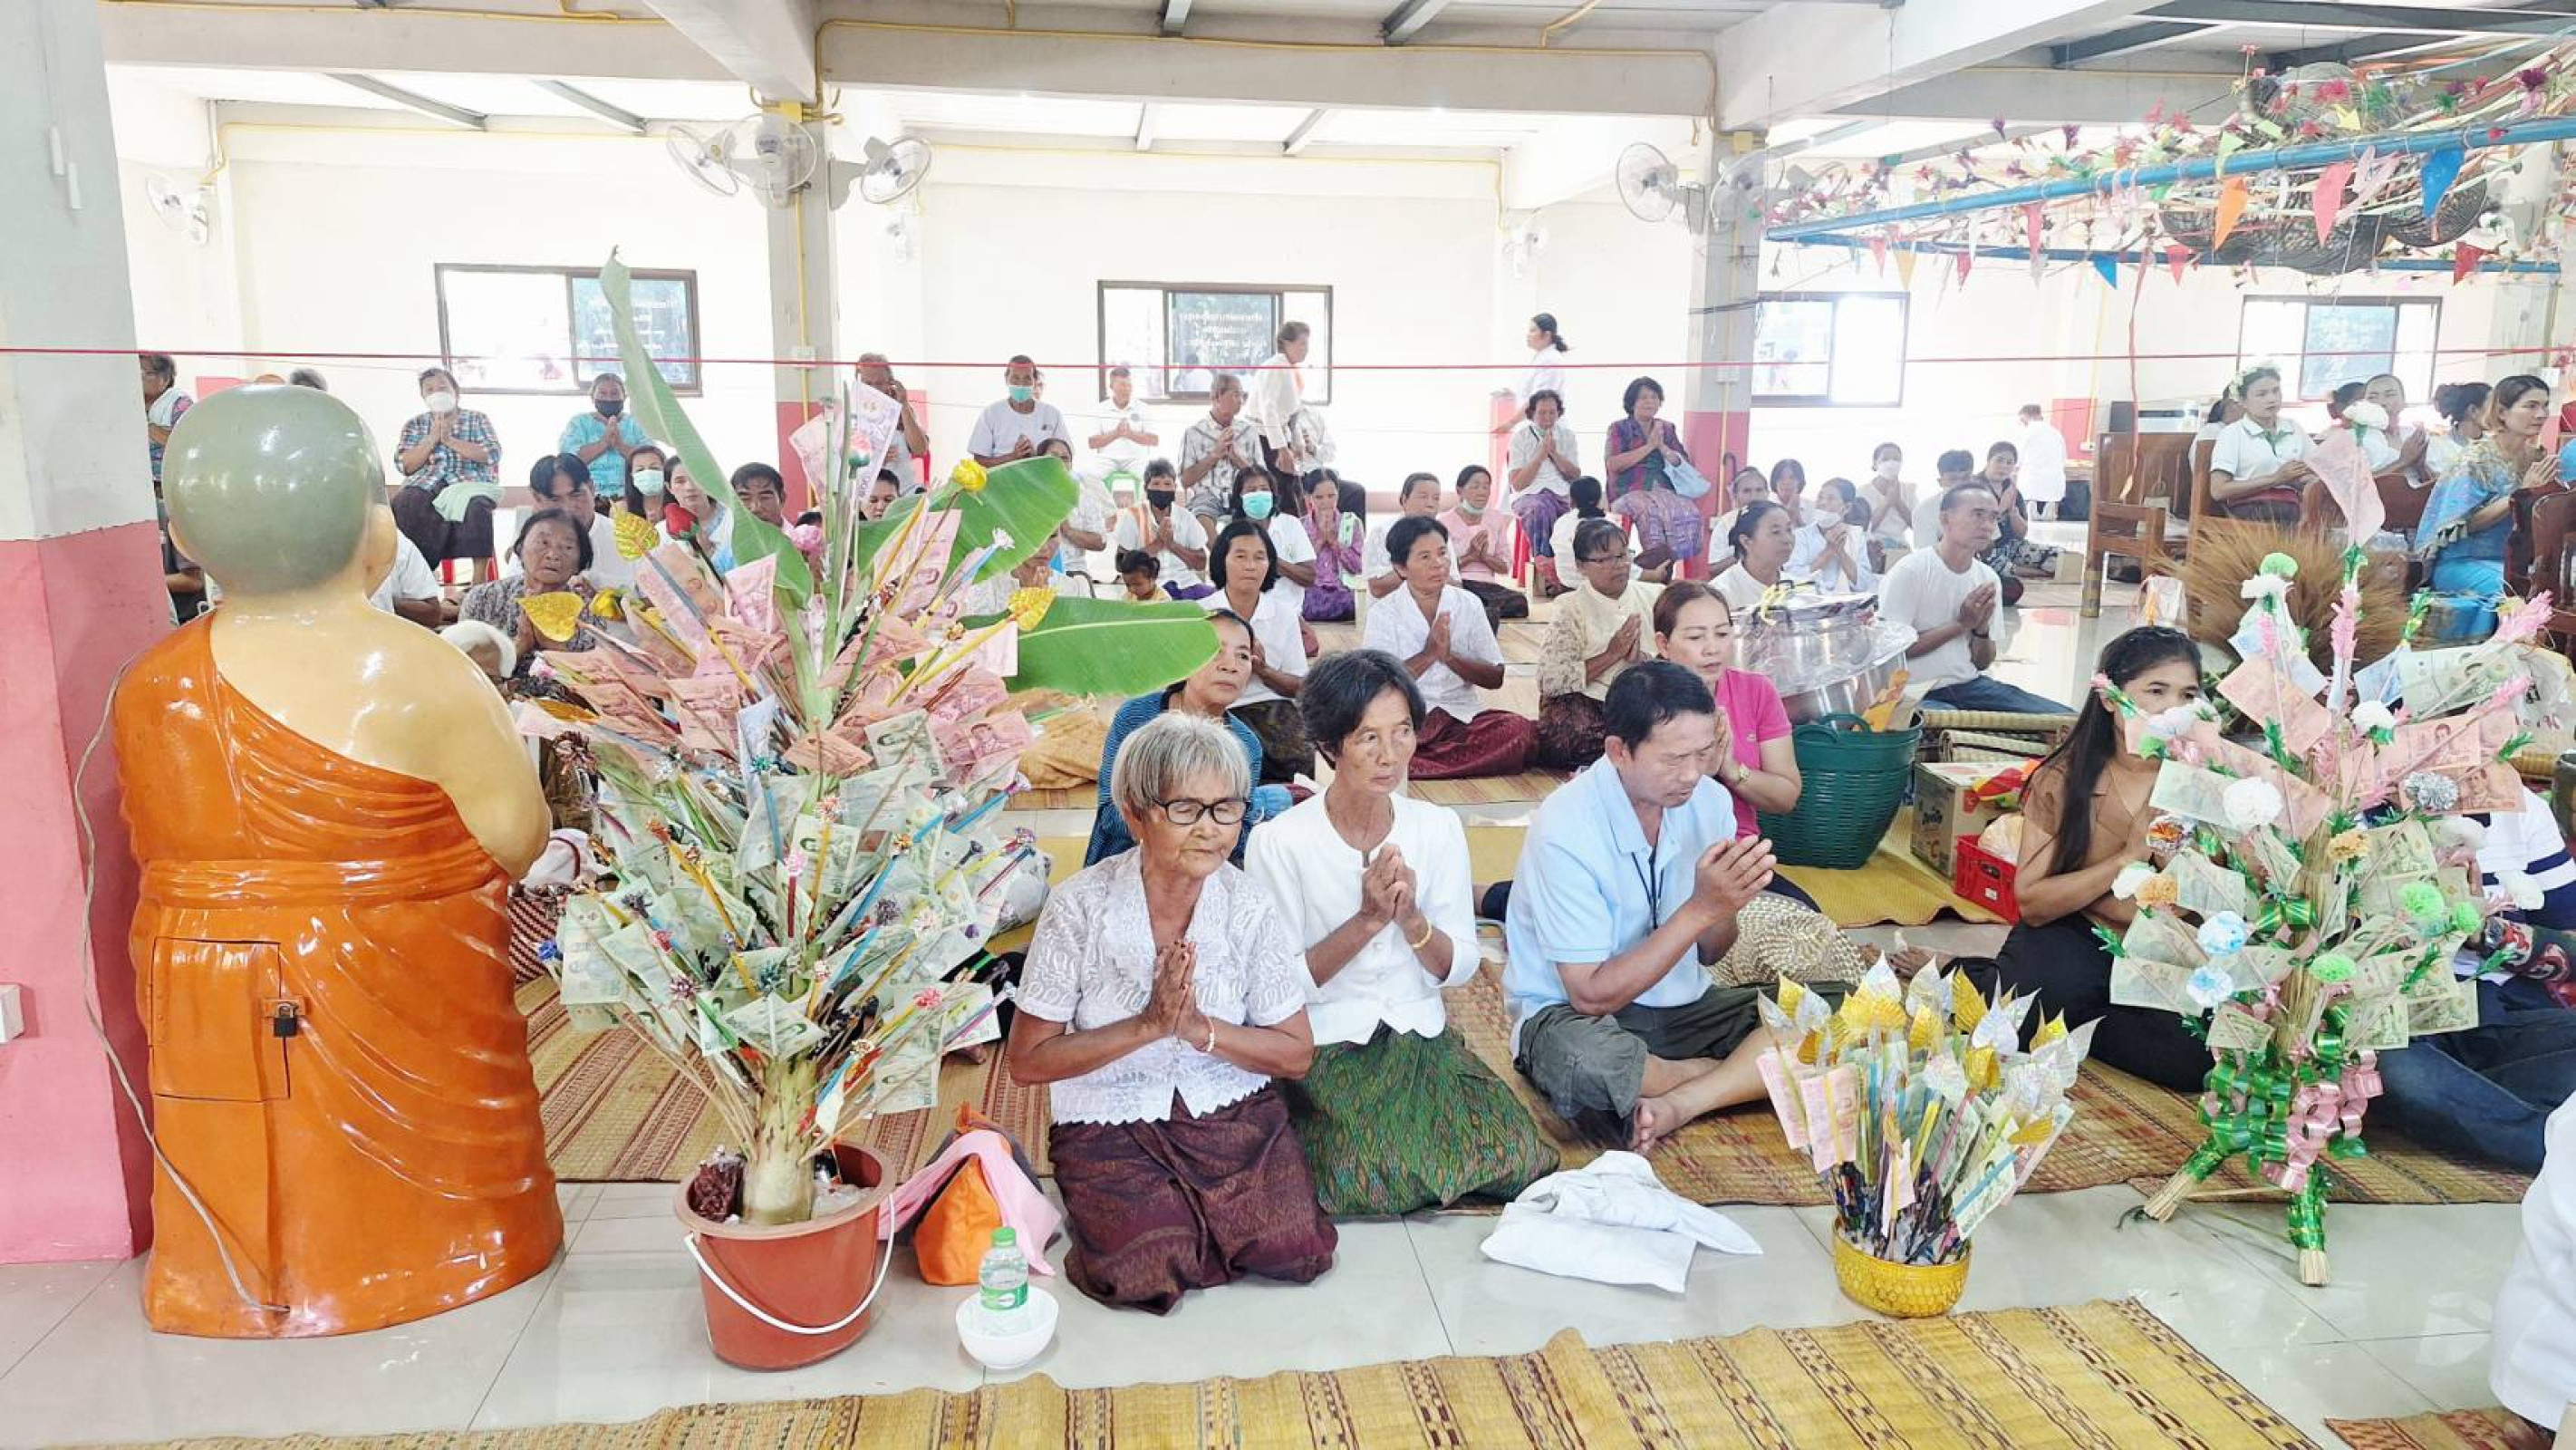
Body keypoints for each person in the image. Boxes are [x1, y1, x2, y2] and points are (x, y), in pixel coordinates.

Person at [122, 383, 555, 1337]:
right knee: (439, 1186)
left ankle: (231, 1281)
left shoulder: (153, 686)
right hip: (391, 966)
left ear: (187, 536)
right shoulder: (421, 668)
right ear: (373, 528)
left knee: (232, 1133)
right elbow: (518, 839)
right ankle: (432, 1257)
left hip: (202, 978)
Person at [1012, 713, 1336, 1313]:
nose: (1210, 830)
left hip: (1229, 1110)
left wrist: (1196, 1030)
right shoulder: (1079, 906)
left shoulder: (1247, 904)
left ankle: (1203, 1222)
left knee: (1295, 1248)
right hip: (1112, 1119)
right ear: (1135, 814)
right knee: (1142, 1272)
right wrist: (1147, 1026)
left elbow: (1295, 1053)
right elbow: (1027, 1062)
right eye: (1185, 809)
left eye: (1226, 809)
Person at [1247, 652, 1556, 1216]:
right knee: (1357, 1176)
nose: (1390, 756)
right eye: (1368, 738)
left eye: (1403, 733)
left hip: (1418, 1034)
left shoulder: (1436, 828)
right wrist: (1366, 921)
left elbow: (1461, 964)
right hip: (1330, 1043)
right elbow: (1278, 988)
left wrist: (1413, 921)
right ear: (1329, 745)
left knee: (1516, 1157)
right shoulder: (1280, 842)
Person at [1503, 662, 1788, 1152]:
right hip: (1576, 1019)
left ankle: (1683, 1099)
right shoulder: (1566, 827)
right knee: (1588, 1067)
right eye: (1674, 759)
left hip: (1684, 1012)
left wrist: (1726, 905)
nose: (1692, 774)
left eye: (1703, 754)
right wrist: (1701, 908)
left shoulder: (1710, 802)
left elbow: (1711, 955)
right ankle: (1737, 1075)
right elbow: (1589, 995)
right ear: (1618, 752)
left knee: (1844, 1011)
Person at [1990, 626, 2215, 1089]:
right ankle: (1986, 978)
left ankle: (2089, 1020)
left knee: (2195, 1061)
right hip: (2077, 927)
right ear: (2111, 699)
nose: (2172, 707)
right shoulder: (2064, 778)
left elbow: (2214, 900)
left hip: (2159, 945)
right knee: (2028, 1017)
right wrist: (2127, 858)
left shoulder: (2204, 781)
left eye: (2187, 694)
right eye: (2156, 690)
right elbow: (2032, 902)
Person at [2375, 787, 2576, 1174]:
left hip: (2501, 1015)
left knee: (2425, 1086)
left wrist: (2485, 929)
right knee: (2399, 1072)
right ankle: (2548, 1146)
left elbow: (2572, 949)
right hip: (2395, 1023)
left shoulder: (2521, 809)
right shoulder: (2356, 803)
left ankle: (2464, 1102)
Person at [1085, 611, 1279, 864]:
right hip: (1126, 862)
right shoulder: (1137, 717)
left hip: (1203, 869)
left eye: (1243, 656)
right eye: (1215, 651)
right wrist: (1178, 832)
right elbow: (1110, 813)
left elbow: (1238, 827)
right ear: (1184, 658)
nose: (1230, 665)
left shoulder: (1246, 745)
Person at [1361, 517, 1536, 779]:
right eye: (1425, 557)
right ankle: (1420, 761)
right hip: (1406, 720)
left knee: (1519, 731)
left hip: (1461, 717)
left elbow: (1495, 677)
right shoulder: (1384, 613)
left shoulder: (1469, 603)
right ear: (1401, 567)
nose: (1438, 564)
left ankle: (1410, 765)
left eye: (1443, 553)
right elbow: (1378, 686)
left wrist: (1450, 657)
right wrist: (1429, 654)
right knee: (1375, 740)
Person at [1880, 481, 2069, 714]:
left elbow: (1982, 663)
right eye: (1977, 515)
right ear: (1946, 519)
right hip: (1913, 691)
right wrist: (1961, 625)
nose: (1987, 526)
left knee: (2065, 719)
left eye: (1992, 518)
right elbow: (1893, 653)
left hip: (1969, 686)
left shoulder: (1987, 577)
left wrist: (1980, 628)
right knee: (1949, 726)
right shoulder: (1911, 571)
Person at [1651, 582, 1802, 848]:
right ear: (1663, 644)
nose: (1712, 648)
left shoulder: (1757, 691)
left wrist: (1730, 770)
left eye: (1722, 634)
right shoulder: (1644, 697)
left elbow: (1786, 796)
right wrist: (1700, 769)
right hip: (1660, 848)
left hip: (1735, 850)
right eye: (1696, 637)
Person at [1534, 518, 1661, 769]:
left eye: (1624, 555)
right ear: (1582, 566)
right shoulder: (1570, 607)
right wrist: (1612, 654)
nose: (1621, 565)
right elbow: (1549, 679)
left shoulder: (1655, 595)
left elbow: (1680, 658)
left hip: (1648, 702)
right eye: (1605, 560)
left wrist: (1644, 663)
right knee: (1566, 734)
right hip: (1593, 705)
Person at [2417, 373, 2558, 598]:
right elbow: (2465, 524)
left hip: (2516, 562)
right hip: (2464, 562)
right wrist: (2521, 492)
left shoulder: (2537, 458)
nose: (2541, 415)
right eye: (2531, 406)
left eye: (2545, 406)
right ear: (2502, 412)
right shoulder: (2474, 461)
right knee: (2519, 594)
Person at [1208, 517, 1314, 785]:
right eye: (1240, 556)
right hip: (1213, 707)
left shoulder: (1284, 613)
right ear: (1222, 560)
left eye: (1259, 557)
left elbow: (1300, 686)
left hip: (1271, 708)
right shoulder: (1202, 613)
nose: (1250, 566)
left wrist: (1263, 670)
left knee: (1302, 757)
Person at [460, 508, 603, 679]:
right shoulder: (483, 598)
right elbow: (464, 674)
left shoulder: (589, 613)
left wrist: (555, 648)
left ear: (580, 562)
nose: (553, 555)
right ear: (520, 548)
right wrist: (520, 646)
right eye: (543, 543)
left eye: (567, 547)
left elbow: (596, 687)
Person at [392, 366, 504, 577]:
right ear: (424, 397)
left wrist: (449, 440)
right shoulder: (414, 424)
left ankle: (477, 581)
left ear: (456, 392)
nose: (437, 392)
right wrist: (432, 439)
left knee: (476, 505)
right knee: (406, 502)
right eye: (430, 390)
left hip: (468, 482)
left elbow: (491, 454)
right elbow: (405, 465)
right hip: (425, 481)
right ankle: (417, 576)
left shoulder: (477, 419)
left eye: (443, 387)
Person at [1603, 377, 1705, 575]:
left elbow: (1682, 462)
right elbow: (1613, 464)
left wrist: (1663, 448)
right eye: (1643, 398)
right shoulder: (1618, 428)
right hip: (1629, 489)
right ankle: (1652, 567)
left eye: (1654, 397)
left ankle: (1669, 564)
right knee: (1649, 511)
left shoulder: (1666, 428)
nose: (1649, 402)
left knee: (1688, 509)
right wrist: (1649, 447)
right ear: (1632, 403)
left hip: (1663, 488)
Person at [2207, 365, 2311, 527]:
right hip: (2252, 512)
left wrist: (2303, 479)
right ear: (2243, 401)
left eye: (2276, 391)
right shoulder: (2232, 434)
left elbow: (2315, 469)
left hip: (2294, 508)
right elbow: (2219, 491)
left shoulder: (2294, 429)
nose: (2272, 399)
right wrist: (2275, 479)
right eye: (2261, 394)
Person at [520, 453, 633, 591]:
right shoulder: (530, 544)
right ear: (537, 499)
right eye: (555, 500)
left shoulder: (631, 541)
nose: (568, 508)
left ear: (591, 488)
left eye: (576, 495)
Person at [1508, 390, 1582, 597]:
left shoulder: (1567, 436)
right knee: (1541, 508)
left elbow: (1575, 476)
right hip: (1529, 495)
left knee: (1575, 516)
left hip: (1563, 494)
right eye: (1542, 413)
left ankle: (1571, 575)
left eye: (1552, 412)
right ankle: (1548, 573)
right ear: (1532, 414)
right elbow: (1518, 483)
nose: (1547, 418)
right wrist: (1540, 455)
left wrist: (1554, 454)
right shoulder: (1520, 437)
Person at [1442, 464, 1526, 628]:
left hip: (1489, 587)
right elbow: (1442, 567)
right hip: (1459, 583)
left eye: (1486, 487)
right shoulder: (1444, 522)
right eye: (1475, 486)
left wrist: (1485, 558)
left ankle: (1480, 611)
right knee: (1461, 599)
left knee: (1519, 602)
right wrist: (1470, 556)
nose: (1482, 492)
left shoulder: (1495, 518)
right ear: (1460, 491)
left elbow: (1504, 567)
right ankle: (1481, 612)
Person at [1113, 459, 1211, 599]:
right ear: (1146, 488)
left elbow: (1201, 562)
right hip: (1150, 588)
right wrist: (1157, 544)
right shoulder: (1133, 516)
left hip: (1187, 584)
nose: (1162, 489)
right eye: (1156, 484)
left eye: (1167, 484)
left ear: (1174, 488)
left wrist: (1172, 545)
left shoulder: (1186, 517)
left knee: (1218, 603)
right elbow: (1120, 564)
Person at [1974, 440, 2060, 603]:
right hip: (1984, 548)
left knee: (2059, 557)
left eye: (2009, 463)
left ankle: (2024, 570)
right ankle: (2034, 572)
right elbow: (1977, 526)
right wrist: (2000, 508)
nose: (2004, 467)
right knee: (1993, 565)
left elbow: (2021, 535)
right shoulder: (1974, 488)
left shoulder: (2013, 491)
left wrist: (2013, 512)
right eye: (1999, 460)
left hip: (2010, 547)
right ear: (1988, 461)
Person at [1227, 467, 1317, 617]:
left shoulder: (1290, 525)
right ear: (1240, 496)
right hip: (1244, 616)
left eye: (1264, 489)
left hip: (1288, 615)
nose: (1258, 494)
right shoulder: (1230, 531)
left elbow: (1309, 577)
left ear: (1272, 494)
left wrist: (1273, 561)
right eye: (1251, 490)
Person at [1179, 372, 1262, 534]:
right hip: (1207, 496)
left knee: (1258, 516)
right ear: (1217, 397)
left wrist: (1239, 460)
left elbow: (1262, 478)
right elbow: (1185, 481)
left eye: (1242, 395)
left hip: (1242, 495)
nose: (1241, 400)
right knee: (1201, 515)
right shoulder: (1194, 433)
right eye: (1236, 394)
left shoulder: (1249, 431)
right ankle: (1219, 556)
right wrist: (1214, 455)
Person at [558, 372, 648, 502]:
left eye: (615, 393)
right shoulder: (579, 423)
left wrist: (620, 445)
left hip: (631, 497)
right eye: (602, 394)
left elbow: (651, 459)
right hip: (588, 497)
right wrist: (604, 443)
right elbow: (567, 461)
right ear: (592, 397)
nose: (609, 399)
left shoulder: (637, 423)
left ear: (624, 397)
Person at [970, 355, 1069, 467]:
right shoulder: (991, 413)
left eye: (1027, 379)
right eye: (1015, 378)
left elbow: (1066, 456)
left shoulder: (1052, 414)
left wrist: (1035, 458)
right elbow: (979, 461)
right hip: (1002, 481)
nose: (1021, 384)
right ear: (1006, 379)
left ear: (1035, 381)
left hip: (1041, 480)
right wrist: (1012, 457)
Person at [1246, 323, 1316, 478]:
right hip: (1264, 438)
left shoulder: (1289, 369)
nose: (1306, 349)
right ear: (1286, 343)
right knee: (1280, 490)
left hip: (1279, 437)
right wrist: (1281, 449)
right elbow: (1268, 409)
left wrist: (1297, 442)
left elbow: (1291, 413)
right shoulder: (1275, 367)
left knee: (1292, 488)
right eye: (1302, 343)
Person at [1297, 470, 1364, 624]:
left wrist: (1335, 544)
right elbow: (1297, 569)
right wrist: (1319, 542)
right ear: (1308, 498)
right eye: (1319, 497)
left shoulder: (1351, 523)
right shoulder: (1300, 526)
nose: (1326, 502)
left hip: (1344, 591)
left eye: (1331, 496)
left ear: (1338, 494)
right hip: (1310, 593)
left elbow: (1359, 567)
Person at [1365, 471, 1443, 600]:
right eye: (1423, 497)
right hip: (1390, 613)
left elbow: (1456, 584)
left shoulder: (1441, 535)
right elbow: (1377, 588)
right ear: (1404, 500)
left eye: (1436, 498)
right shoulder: (1382, 532)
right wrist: (1415, 570)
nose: (1430, 504)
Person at [1713, 500, 1797, 618]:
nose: (1787, 539)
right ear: (1746, 541)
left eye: (1789, 530)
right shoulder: (1722, 593)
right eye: (1775, 532)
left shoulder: (1800, 586)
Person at [856, 353, 929, 486]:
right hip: (868, 493)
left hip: (903, 489)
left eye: (879, 383)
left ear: (890, 384)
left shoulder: (902, 410)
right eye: (867, 383)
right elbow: (842, 464)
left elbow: (920, 449)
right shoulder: (852, 414)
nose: (873, 389)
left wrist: (904, 405)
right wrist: (877, 460)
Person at [1789, 478, 1874, 593]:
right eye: (1820, 497)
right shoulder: (1802, 535)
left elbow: (1863, 584)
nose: (1822, 503)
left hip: (1845, 604)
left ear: (1846, 508)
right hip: (1809, 602)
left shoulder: (1855, 536)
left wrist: (1841, 553)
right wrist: (1828, 553)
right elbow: (1792, 578)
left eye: (1830, 499)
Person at [1086, 365, 1159, 480]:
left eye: (1129, 385)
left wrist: (1130, 434)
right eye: (1122, 385)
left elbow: (1154, 440)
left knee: (1152, 478)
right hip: (1107, 459)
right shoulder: (1100, 409)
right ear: (1111, 387)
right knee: (1090, 478)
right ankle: (1105, 499)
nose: (1126, 389)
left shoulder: (1143, 408)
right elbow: (1092, 443)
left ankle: (1142, 499)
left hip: (1136, 459)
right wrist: (1116, 434)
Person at [2361, 372, 2431, 488]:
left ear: (2404, 402)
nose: (2381, 402)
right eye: (2372, 397)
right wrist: (2403, 461)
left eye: (2390, 395)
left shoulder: (2414, 435)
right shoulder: (2355, 439)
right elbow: (2355, 487)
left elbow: (2432, 484)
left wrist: (2421, 466)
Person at [2425, 381, 2491, 482]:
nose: (2499, 415)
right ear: (2473, 410)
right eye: (2492, 408)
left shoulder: (2496, 447)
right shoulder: (2436, 447)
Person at [1863, 442, 1917, 565]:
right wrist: (1887, 502)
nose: (1891, 463)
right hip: (1873, 551)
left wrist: (1898, 501)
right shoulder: (1862, 492)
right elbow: (1865, 529)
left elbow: (1916, 525)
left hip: (1901, 550)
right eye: (1885, 459)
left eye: (1896, 459)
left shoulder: (1909, 489)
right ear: (1875, 464)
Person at [2015, 404, 2069, 519]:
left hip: (2031, 481)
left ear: (2025, 417)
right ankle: (2050, 509)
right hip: (2054, 482)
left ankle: (2030, 509)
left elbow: (2017, 459)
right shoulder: (2056, 433)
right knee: (2051, 506)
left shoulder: (2026, 432)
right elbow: (2064, 459)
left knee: (2029, 513)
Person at [1520, 312, 1569, 406]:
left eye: (1533, 331)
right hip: (1532, 418)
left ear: (1547, 335)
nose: (1528, 335)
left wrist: (1511, 421)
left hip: (1545, 419)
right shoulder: (1540, 358)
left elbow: (1539, 400)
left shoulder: (1551, 360)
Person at [731, 461, 788, 531]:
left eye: (764, 497)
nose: (755, 509)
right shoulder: (723, 540)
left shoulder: (801, 539)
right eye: (745, 498)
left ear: (782, 499)